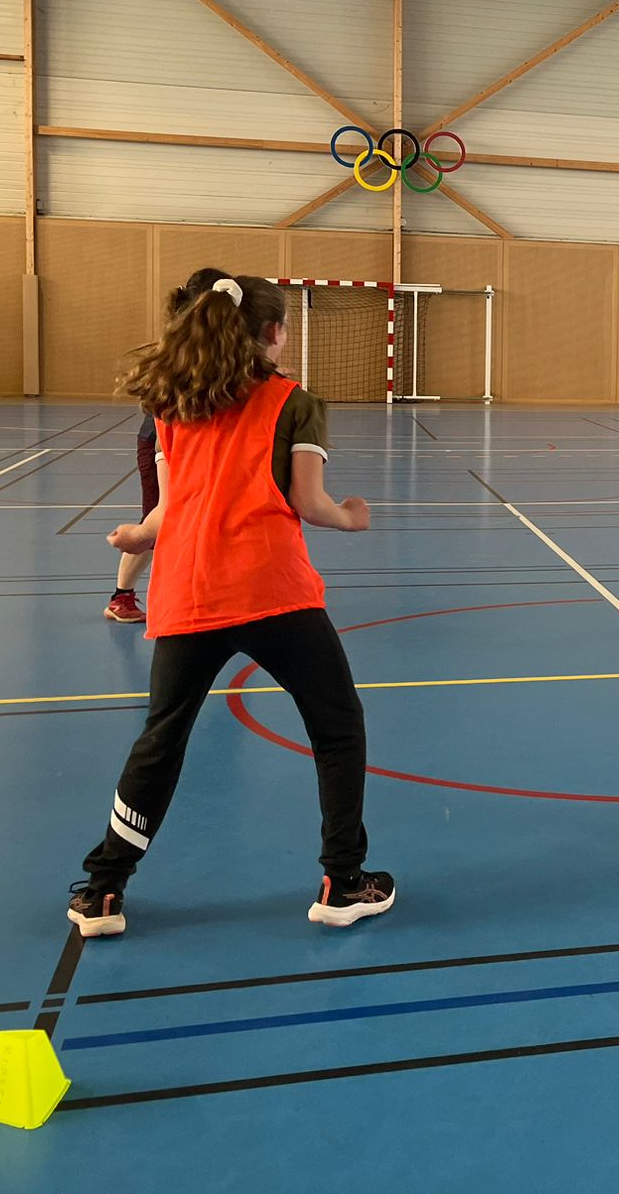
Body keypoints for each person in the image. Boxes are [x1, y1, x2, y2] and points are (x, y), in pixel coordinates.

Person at [66, 274, 394, 937]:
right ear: (273, 334)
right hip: (273, 591)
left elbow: (171, 503)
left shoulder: (172, 403)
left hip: (188, 591)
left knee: (161, 740)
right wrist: (353, 517)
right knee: (336, 728)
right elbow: (309, 503)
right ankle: (343, 879)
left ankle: (103, 890)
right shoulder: (294, 402)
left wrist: (139, 535)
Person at [105, 268, 229, 624]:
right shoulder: (186, 347)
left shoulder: (214, 343)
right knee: (160, 519)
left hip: (190, 439)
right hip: (161, 440)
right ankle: (122, 597)